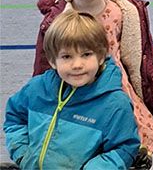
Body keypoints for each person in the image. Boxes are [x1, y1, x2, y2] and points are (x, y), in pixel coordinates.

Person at [33, 0, 153, 162]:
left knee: (121, 126)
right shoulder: (59, 18)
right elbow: (45, 62)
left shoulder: (119, 12)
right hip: (75, 81)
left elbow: (133, 54)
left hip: (112, 82)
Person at [6, 12, 140, 169]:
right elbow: (15, 117)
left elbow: (125, 148)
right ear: (52, 60)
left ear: (101, 56)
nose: (77, 64)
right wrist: (22, 153)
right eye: (67, 56)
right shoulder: (36, 89)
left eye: (86, 54)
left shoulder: (115, 104)